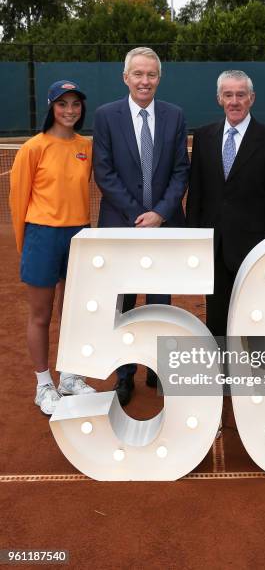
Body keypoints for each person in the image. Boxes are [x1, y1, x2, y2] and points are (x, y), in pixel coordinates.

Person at [92, 47, 190, 406]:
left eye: (151, 75)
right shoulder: (105, 116)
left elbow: (181, 171)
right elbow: (104, 171)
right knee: (126, 303)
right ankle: (125, 374)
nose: (144, 81)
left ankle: (157, 369)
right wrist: (139, 216)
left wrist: (160, 214)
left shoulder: (175, 116)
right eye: (138, 74)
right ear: (126, 78)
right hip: (122, 226)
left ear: (158, 78)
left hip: (164, 226)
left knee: (161, 301)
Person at [9, 80, 96, 416]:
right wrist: (26, 244)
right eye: (63, 104)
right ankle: (44, 384)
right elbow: (18, 200)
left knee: (72, 313)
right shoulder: (33, 147)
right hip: (42, 236)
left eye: (75, 104)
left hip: (78, 235)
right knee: (41, 314)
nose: (70, 110)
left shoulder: (85, 146)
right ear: (51, 108)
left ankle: (71, 377)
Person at [186, 69, 265, 338]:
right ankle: (222, 376)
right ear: (219, 98)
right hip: (215, 248)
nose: (234, 101)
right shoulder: (203, 136)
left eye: (240, 95)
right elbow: (196, 193)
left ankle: (257, 376)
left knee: (256, 318)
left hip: (254, 249)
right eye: (228, 95)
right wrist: (196, 242)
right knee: (217, 318)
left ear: (251, 98)